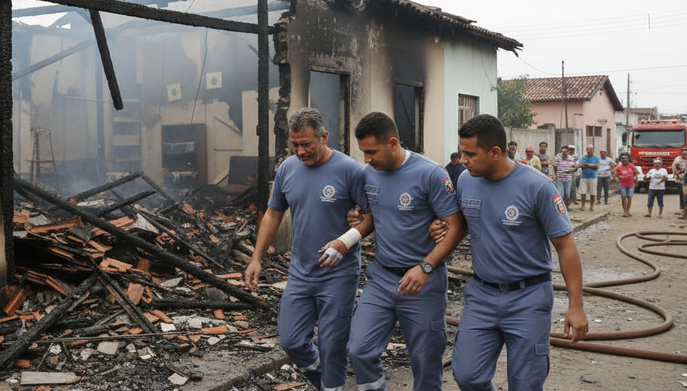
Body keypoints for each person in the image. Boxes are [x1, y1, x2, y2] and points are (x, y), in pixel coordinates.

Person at [444, 114, 587, 391]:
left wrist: (576, 306)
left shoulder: (538, 187)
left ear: (495, 152)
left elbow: (565, 246)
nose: (463, 159)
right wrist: (439, 227)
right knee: (467, 376)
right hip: (482, 295)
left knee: (525, 383)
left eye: (470, 153)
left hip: (528, 297)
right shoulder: (465, 181)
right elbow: (461, 224)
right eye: (462, 152)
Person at [244, 108, 372, 391]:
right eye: (295, 144)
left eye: (307, 144)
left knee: (332, 344)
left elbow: (371, 216)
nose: (300, 151)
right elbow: (273, 214)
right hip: (301, 273)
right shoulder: (287, 169)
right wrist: (256, 258)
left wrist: (346, 239)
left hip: (339, 274)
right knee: (291, 340)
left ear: (324, 137)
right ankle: (325, 381)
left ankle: (332, 384)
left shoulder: (350, 170)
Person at [347, 111, 466, 391]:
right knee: (360, 349)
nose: (367, 160)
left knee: (425, 360)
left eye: (371, 152)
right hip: (382, 278)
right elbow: (371, 217)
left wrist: (426, 266)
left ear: (392, 143)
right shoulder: (369, 174)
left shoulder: (431, 174)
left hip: (423, 281)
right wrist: (357, 221)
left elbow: (456, 227)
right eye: (363, 152)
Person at [613, 153, 638, 217]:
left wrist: (636, 181)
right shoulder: (618, 167)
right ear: (620, 160)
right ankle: (625, 211)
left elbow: (635, 173)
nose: (624, 159)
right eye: (623, 158)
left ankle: (628, 211)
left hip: (631, 184)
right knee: (623, 198)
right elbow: (615, 175)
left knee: (630, 198)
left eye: (626, 158)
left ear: (628, 159)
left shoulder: (632, 166)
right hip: (622, 184)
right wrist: (612, 178)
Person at [578, 145, 599, 211]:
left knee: (593, 193)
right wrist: (590, 166)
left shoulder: (596, 158)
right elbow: (582, 165)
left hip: (593, 177)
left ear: (593, 150)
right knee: (583, 192)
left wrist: (587, 165)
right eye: (587, 149)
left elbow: (596, 166)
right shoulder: (584, 157)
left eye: (590, 149)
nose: (589, 151)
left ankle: (591, 206)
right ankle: (583, 206)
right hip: (584, 177)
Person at [673, 149, 687, 214]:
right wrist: (676, 174)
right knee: (682, 193)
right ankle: (682, 209)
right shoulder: (677, 159)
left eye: (686, 153)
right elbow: (674, 167)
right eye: (683, 153)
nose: (684, 155)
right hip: (681, 178)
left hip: (686, 177)